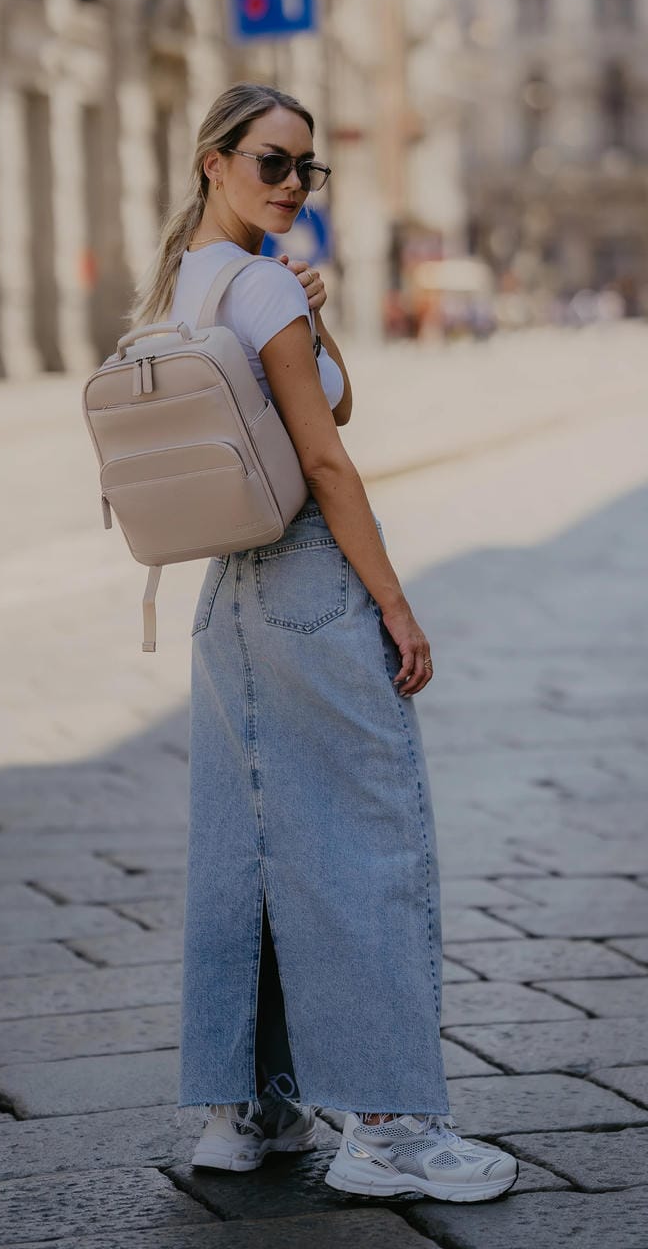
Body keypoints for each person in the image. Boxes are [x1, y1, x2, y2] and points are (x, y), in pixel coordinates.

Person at [129, 83, 517, 1203]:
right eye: (270, 162)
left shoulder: (188, 285)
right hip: (304, 573)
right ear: (213, 162)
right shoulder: (255, 286)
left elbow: (315, 404)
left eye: (307, 168)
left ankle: (243, 1110)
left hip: (224, 596)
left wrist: (313, 309)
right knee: (366, 838)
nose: (292, 183)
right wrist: (393, 602)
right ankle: (389, 1127)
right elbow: (329, 460)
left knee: (247, 846)